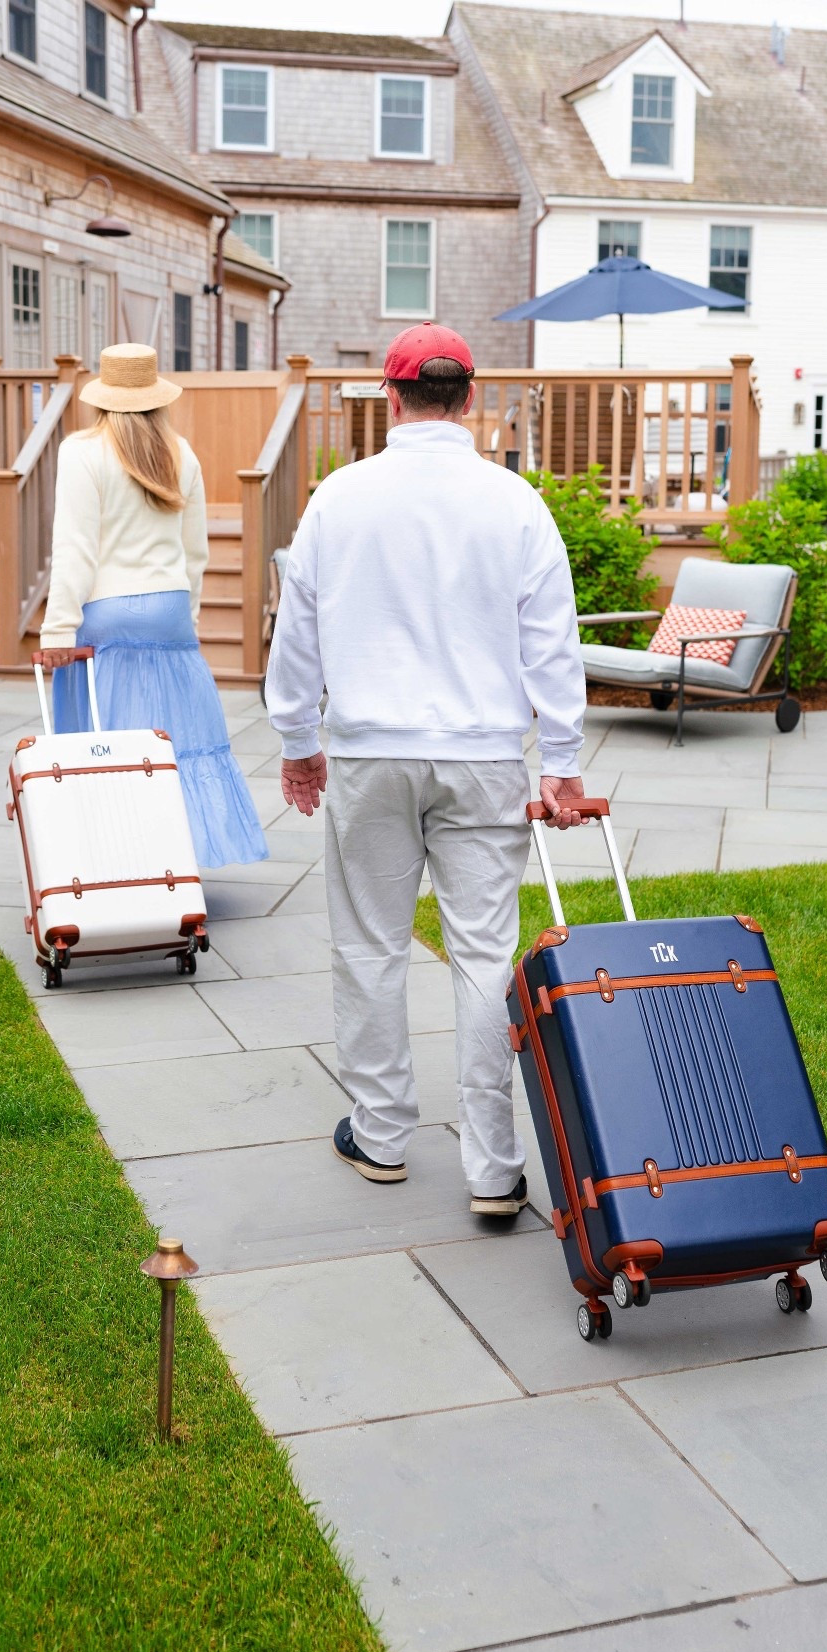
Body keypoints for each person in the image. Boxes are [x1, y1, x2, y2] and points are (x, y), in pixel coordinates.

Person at [265, 324, 590, 1215]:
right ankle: (493, 1168)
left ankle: (379, 1136)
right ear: (471, 397)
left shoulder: (339, 498)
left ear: (390, 394)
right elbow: (551, 643)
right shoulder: (514, 500)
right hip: (484, 755)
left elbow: (297, 635)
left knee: (369, 945)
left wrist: (297, 742)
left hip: (369, 751)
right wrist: (558, 761)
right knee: (486, 956)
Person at [38, 341, 268, 869]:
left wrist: (57, 629)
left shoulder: (81, 451)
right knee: (177, 739)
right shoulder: (180, 453)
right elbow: (195, 552)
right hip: (169, 607)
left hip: (107, 611)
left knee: (105, 739)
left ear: (102, 396)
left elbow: (74, 547)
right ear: (155, 396)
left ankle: (115, 857)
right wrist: (184, 622)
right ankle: (179, 856)